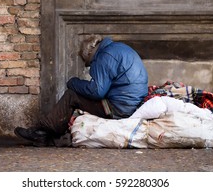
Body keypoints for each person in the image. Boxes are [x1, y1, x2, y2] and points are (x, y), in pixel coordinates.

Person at [14, 35, 149, 146]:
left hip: (120, 107)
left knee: (72, 95)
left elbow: (97, 91)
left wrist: (73, 82)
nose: (90, 68)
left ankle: (42, 130)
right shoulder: (118, 48)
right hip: (131, 102)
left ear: (89, 53)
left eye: (89, 63)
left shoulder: (104, 56)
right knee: (77, 94)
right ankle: (45, 134)